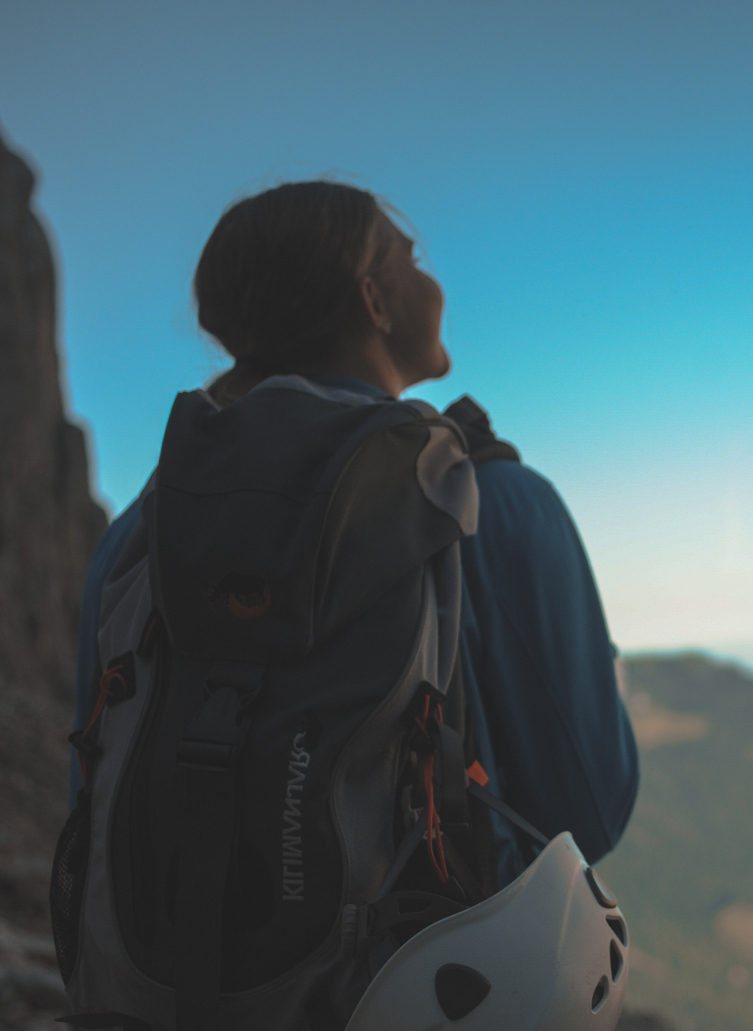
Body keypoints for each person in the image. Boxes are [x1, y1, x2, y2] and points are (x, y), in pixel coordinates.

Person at [71, 180, 639, 895]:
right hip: (425, 992)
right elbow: (590, 806)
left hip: (157, 990)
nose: (433, 281)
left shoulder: (139, 539)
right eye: (413, 256)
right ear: (374, 300)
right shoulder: (494, 506)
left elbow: (88, 801)